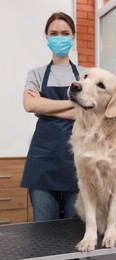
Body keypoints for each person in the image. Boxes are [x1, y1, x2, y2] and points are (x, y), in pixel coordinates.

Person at [21, 12, 85, 222]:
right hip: (41, 162)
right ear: (46, 37)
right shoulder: (36, 73)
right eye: (54, 33)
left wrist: (45, 107)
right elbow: (30, 104)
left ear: (73, 37)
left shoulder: (85, 75)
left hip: (76, 162)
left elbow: (89, 113)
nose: (60, 37)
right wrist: (73, 101)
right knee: (43, 231)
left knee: (74, 231)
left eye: (65, 33)